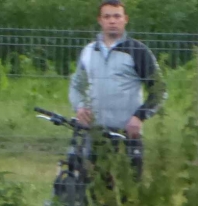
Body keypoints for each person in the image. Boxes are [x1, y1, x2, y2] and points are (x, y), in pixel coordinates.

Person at [69, 0, 166, 179]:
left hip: (126, 135)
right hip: (96, 134)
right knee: (96, 189)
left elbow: (159, 91)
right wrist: (80, 106)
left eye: (117, 16)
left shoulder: (137, 51)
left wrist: (139, 117)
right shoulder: (89, 51)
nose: (112, 21)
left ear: (125, 19)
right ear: (100, 20)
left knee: (129, 189)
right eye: (107, 17)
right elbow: (76, 85)